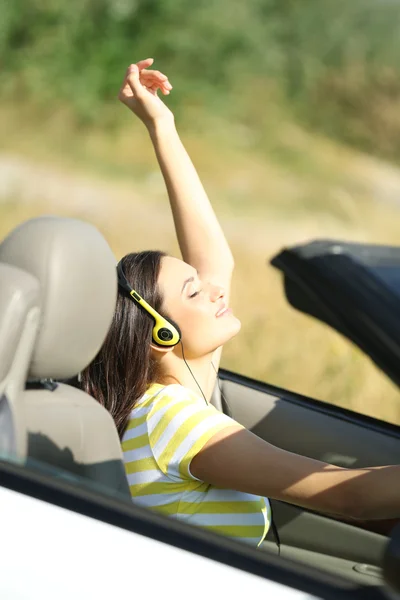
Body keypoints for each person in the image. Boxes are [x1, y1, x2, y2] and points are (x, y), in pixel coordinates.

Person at [82, 59, 400, 548]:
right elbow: (346, 497)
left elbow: (214, 262)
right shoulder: (172, 420)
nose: (213, 289)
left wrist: (160, 124)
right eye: (193, 291)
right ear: (159, 335)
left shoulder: (175, 389)